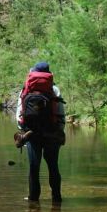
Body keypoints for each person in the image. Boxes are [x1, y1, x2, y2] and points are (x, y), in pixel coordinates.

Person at [16, 61, 66, 204]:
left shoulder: (26, 89)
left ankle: (33, 199)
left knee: (34, 166)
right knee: (53, 166)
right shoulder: (54, 89)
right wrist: (59, 131)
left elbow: (19, 114)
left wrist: (23, 131)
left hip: (31, 134)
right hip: (51, 133)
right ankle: (56, 198)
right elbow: (61, 113)